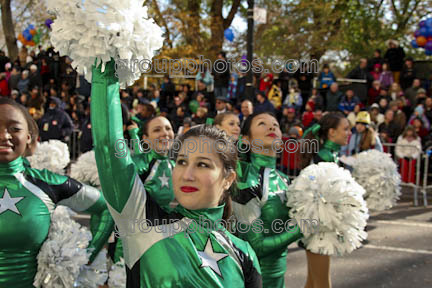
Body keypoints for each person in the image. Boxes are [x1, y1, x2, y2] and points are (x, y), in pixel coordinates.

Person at [90, 61, 262, 287]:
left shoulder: (244, 252)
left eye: (202, 165)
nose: (187, 174)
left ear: (228, 179)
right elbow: (108, 146)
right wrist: (104, 61)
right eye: (182, 162)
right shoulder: (144, 223)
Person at [0, 98, 113, 287]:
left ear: (29, 136)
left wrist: (85, 257)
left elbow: (106, 208)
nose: (4, 136)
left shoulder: (46, 183)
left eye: (14, 128)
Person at [231, 111, 303, 287]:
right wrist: (302, 229)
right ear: (246, 139)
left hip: (279, 277)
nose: (272, 127)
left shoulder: (284, 179)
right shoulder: (247, 181)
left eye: (276, 125)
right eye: (262, 123)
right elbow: (257, 247)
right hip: (254, 279)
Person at [300, 112, 351, 288]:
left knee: (313, 281)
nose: (348, 133)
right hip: (318, 226)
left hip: (320, 224)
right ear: (331, 133)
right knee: (322, 283)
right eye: (345, 129)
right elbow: (320, 196)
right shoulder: (324, 157)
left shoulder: (330, 155)